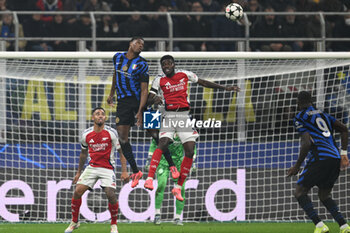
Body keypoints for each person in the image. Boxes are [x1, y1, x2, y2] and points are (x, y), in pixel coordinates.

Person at [144, 55, 240, 201]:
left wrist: (225, 88)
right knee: (162, 143)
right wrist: (155, 98)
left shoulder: (185, 74)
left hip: (184, 117)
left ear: (174, 64)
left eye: (169, 63)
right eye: (163, 64)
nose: (166, 66)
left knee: (189, 151)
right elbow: (149, 98)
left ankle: (177, 188)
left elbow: (203, 82)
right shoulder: (159, 80)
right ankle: (150, 178)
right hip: (168, 115)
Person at [287, 91, 350, 233]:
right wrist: (344, 153)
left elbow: (306, 143)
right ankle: (344, 226)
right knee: (324, 195)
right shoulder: (323, 114)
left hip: (321, 158)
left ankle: (320, 226)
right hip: (335, 158)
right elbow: (344, 129)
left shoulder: (299, 117)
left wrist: (297, 166)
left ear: (298, 102)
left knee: (299, 192)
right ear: (311, 101)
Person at [64, 107, 129, 233]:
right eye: (97, 114)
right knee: (77, 192)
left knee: (110, 194)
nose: (100, 116)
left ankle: (114, 225)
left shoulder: (112, 133)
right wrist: (78, 173)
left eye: (103, 114)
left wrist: (124, 171)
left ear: (105, 118)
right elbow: (83, 154)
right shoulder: (86, 135)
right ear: (93, 118)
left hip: (107, 168)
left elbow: (121, 152)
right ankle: (74, 222)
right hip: (92, 167)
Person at [146, 134, 197, 225]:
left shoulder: (183, 130)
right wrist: (149, 159)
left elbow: (191, 145)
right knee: (161, 184)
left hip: (178, 163)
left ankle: (177, 218)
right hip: (163, 161)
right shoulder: (165, 130)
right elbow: (155, 142)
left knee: (180, 189)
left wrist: (193, 162)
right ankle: (157, 215)